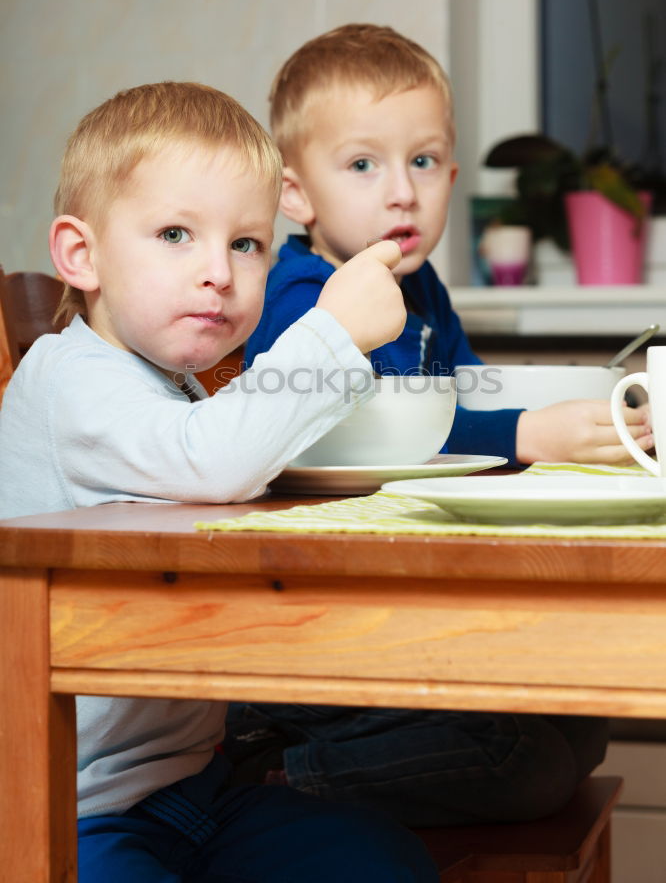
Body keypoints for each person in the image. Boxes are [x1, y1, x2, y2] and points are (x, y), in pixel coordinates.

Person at [0, 81, 439, 883]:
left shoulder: (170, 384)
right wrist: (331, 331)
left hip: (190, 791)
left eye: (247, 244)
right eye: (175, 234)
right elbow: (213, 463)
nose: (219, 273)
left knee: (386, 862)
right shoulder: (71, 380)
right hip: (77, 805)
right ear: (81, 254)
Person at [224, 23, 634, 828]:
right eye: (363, 165)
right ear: (296, 195)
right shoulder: (303, 296)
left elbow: (466, 394)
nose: (401, 192)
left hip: (392, 609)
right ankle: (266, 781)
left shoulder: (421, 289)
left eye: (422, 162)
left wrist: (583, 407)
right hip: (302, 630)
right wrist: (527, 435)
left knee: (582, 728)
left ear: (450, 173)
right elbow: (384, 427)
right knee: (530, 765)